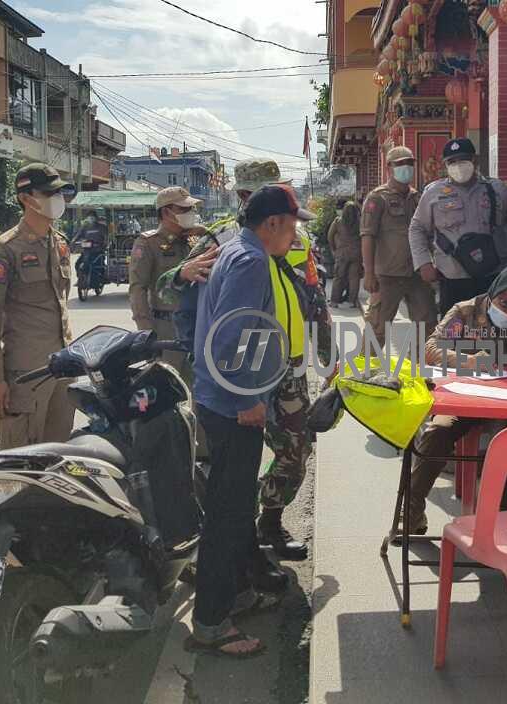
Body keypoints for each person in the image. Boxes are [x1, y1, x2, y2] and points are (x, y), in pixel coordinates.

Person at [188, 184, 313, 658]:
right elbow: (233, 336)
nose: (294, 234)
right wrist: (246, 397)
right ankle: (211, 622)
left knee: (235, 507)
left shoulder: (236, 251)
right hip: (231, 403)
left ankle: (238, 592)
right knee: (226, 514)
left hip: (219, 398)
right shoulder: (250, 260)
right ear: (273, 224)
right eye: (292, 224)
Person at [402, 266, 507, 534]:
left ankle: (499, 517)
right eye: (505, 303)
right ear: (493, 295)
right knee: (439, 431)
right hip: (464, 399)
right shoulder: (465, 311)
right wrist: (467, 361)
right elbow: (431, 350)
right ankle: (411, 509)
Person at [0, 164, 75, 450]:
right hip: (25, 374)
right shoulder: (5, 249)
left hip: (62, 369)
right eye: (48, 193)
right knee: (22, 459)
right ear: (25, 198)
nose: (56, 199)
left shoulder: (59, 244)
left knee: (58, 455)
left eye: (59, 192)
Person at [409, 138, 507, 316]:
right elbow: (417, 228)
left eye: (463, 160)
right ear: (445, 166)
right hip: (453, 277)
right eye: (452, 162)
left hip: (493, 277)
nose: (458, 166)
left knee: (492, 332)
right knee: (454, 335)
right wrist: (423, 263)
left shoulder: (497, 189)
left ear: (474, 160)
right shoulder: (433, 193)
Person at [129, 187, 216, 374]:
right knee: (169, 388)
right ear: (167, 212)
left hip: (197, 325)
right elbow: (138, 289)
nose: (191, 213)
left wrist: (205, 232)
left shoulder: (196, 240)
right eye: (184, 209)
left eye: (192, 209)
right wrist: (146, 333)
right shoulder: (148, 243)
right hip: (167, 330)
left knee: (201, 388)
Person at [363, 145, 437, 343]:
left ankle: (422, 369)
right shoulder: (377, 198)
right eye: (400, 164)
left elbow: (428, 233)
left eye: (409, 164)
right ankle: (364, 371)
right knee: (377, 327)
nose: (406, 168)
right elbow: (367, 235)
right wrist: (369, 273)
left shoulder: (418, 197)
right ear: (389, 168)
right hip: (387, 275)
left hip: (416, 273)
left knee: (427, 325)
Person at [327, 200, 361, 308]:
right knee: (354, 278)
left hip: (341, 253)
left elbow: (330, 236)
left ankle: (334, 301)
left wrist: (333, 249)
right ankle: (352, 301)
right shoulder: (361, 223)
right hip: (357, 253)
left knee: (339, 277)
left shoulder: (338, 221)